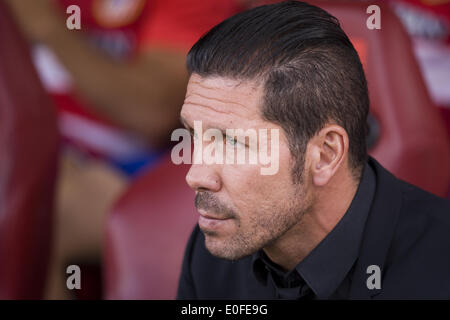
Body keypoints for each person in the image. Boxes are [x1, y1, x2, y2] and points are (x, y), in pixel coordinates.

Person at [176, 1, 450, 299]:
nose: (195, 175)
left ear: (325, 155)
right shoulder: (213, 253)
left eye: (234, 143)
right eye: (194, 135)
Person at [4, 0, 241, 299]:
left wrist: (48, 26)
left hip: (148, 175)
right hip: (47, 153)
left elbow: (152, 113)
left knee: (40, 202)